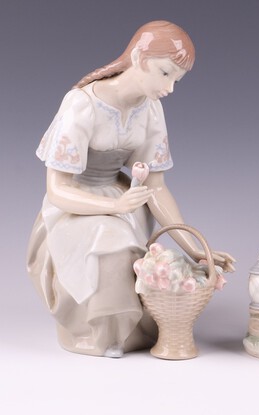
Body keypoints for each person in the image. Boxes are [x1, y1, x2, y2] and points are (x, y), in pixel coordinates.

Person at [26, 20, 235, 358]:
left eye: (177, 80)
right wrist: (115, 208)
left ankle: (132, 327)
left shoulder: (151, 109)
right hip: (77, 204)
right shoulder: (82, 104)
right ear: (139, 57)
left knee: (136, 244)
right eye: (165, 74)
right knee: (113, 239)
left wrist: (193, 248)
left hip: (125, 197)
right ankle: (103, 333)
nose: (170, 88)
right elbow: (58, 190)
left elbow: (156, 188)